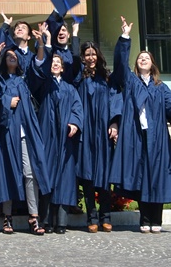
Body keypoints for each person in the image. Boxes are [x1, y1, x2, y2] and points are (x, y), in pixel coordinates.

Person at [111, 17, 171, 233]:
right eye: (140, 57)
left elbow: (170, 109)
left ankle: (156, 220)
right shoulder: (130, 81)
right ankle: (145, 220)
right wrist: (125, 37)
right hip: (137, 136)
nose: (143, 59)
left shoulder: (161, 87)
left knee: (158, 176)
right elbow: (119, 62)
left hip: (158, 139)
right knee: (143, 177)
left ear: (152, 63)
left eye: (146, 57)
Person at [0, 41, 50, 235]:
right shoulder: (2, 80)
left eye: (14, 56)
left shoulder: (24, 79)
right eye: (8, 56)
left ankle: (34, 216)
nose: (12, 58)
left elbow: (39, 68)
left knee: (30, 174)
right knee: (8, 174)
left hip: (26, 132)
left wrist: (40, 45)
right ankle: (7, 216)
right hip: (7, 133)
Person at [31, 29, 83, 235]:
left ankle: (61, 222)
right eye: (53, 62)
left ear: (62, 68)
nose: (55, 64)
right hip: (46, 138)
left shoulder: (70, 89)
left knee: (64, 178)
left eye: (58, 63)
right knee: (47, 176)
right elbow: (40, 67)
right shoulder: (43, 85)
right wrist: (47, 42)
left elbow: (77, 109)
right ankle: (45, 221)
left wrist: (74, 123)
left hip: (65, 139)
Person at [73, 29, 122, 233]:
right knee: (87, 177)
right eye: (87, 54)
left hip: (102, 133)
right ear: (83, 58)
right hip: (85, 134)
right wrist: (75, 36)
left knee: (103, 177)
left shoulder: (107, 77)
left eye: (93, 54)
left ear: (98, 56)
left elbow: (116, 100)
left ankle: (106, 216)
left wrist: (114, 123)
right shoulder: (78, 77)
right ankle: (91, 217)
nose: (91, 57)